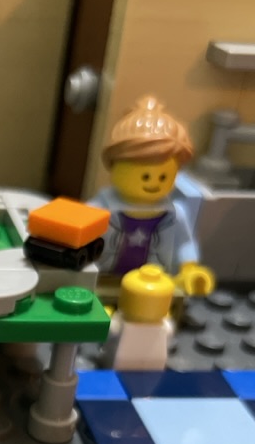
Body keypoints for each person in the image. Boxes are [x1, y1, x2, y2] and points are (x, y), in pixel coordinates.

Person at [89, 95, 214, 295]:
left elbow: (185, 243)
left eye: (163, 176)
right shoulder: (100, 208)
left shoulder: (174, 214)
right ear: (115, 167)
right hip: (104, 281)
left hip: (153, 287)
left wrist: (189, 269)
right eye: (145, 176)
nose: (153, 182)